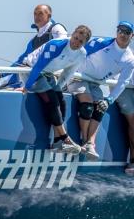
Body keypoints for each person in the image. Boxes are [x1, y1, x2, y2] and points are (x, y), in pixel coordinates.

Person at [67, 21, 134, 161]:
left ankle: (90, 143)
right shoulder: (101, 43)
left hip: (95, 83)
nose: (123, 34)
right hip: (78, 77)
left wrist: (110, 99)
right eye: (120, 31)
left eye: (127, 32)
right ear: (116, 32)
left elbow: (123, 82)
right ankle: (85, 141)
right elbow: (77, 51)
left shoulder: (130, 59)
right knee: (87, 106)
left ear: (132, 35)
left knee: (100, 107)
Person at [20, 25, 92, 154]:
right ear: (72, 34)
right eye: (75, 38)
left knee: (61, 99)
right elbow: (39, 65)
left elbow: (68, 73)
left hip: (47, 74)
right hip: (31, 70)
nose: (76, 42)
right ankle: (65, 139)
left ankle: (58, 141)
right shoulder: (57, 45)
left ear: (85, 43)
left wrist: (58, 87)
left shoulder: (81, 54)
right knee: (52, 99)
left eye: (80, 41)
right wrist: (27, 86)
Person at [0, 4, 68, 88]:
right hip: (38, 73)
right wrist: (2, 73)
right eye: (35, 14)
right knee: (15, 76)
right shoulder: (33, 41)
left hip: (54, 73)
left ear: (49, 16)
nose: (36, 16)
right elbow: (22, 60)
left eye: (40, 13)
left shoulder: (56, 28)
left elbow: (64, 44)